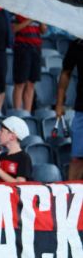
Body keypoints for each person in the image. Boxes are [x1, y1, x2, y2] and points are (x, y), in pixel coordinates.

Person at [56, 38, 82, 180]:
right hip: (82, 109)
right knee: (77, 158)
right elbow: (66, 72)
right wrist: (60, 103)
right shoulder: (77, 44)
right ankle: (72, 192)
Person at [11, 16, 46, 112]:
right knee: (20, 83)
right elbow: (13, 28)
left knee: (31, 83)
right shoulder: (18, 12)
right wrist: (29, 20)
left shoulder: (39, 12)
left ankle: (27, 113)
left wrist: (42, 21)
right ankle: (17, 112)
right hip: (22, 47)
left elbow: (43, 31)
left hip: (36, 48)